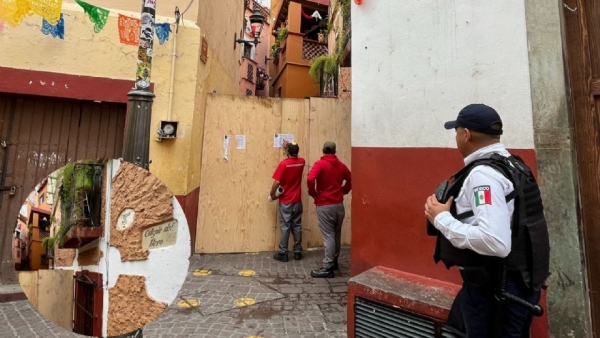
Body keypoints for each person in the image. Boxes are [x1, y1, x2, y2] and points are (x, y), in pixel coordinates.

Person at [424, 104, 550, 337]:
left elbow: (495, 241)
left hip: (496, 293)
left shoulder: (484, 176)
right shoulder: (515, 163)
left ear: (466, 134)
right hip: (519, 285)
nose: (457, 137)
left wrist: (441, 218)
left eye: (456, 131)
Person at [307, 141, 352, 278]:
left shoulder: (320, 164)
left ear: (323, 150)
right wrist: (343, 190)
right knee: (336, 234)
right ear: (334, 151)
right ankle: (334, 262)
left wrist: (313, 193)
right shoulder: (341, 166)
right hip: (338, 204)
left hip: (324, 204)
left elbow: (310, 179)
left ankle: (327, 267)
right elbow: (351, 179)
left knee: (328, 236)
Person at [270, 140, 306, 262]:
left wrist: (272, 194)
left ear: (288, 152)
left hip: (285, 201)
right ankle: (297, 252)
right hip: (297, 200)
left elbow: (277, 182)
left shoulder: (284, 164)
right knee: (296, 225)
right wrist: (289, 147)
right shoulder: (302, 162)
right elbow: (296, 157)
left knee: (285, 226)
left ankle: (283, 253)